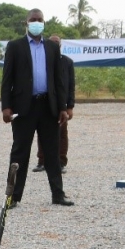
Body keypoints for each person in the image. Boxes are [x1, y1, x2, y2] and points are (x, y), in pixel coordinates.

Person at [0, 9, 71, 207]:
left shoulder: (51, 48)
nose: (37, 23)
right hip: (24, 107)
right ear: (26, 23)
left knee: (52, 152)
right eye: (33, 20)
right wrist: (6, 106)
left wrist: (63, 108)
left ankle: (58, 194)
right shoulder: (15, 47)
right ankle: (12, 197)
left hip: (48, 106)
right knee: (20, 152)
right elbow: (7, 79)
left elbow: (58, 80)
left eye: (40, 20)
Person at [34, 36, 75, 173]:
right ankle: (42, 161)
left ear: (60, 45)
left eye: (57, 43)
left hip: (61, 104)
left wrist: (70, 106)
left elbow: (71, 86)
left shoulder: (68, 62)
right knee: (42, 132)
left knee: (61, 133)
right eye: (52, 43)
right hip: (44, 102)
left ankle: (61, 161)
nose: (55, 45)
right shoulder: (41, 60)